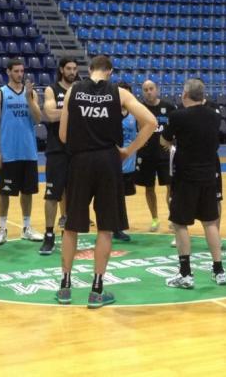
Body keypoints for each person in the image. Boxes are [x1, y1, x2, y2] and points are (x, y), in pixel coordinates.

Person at [55, 55, 156, 309]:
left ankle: (65, 286)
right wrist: (128, 150)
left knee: (71, 226)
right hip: (108, 161)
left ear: (89, 70)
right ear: (109, 72)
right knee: (105, 228)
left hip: (79, 161)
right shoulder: (119, 93)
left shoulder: (73, 91)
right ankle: (97, 290)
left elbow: (63, 135)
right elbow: (151, 123)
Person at [160, 79, 226, 289]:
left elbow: (164, 141)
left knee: (180, 224)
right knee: (210, 223)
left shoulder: (177, 116)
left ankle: (186, 274)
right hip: (209, 175)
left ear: (185, 95)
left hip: (185, 177)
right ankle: (219, 271)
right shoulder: (214, 116)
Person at [0, 58, 43, 245]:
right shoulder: (0, 94)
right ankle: (2, 228)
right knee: (4, 192)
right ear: (8, 72)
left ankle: (26, 227)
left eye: (22, 71)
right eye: (16, 71)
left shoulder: (31, 94)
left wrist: (29, 98)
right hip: (8, 151)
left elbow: (38, 119)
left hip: (28, 151)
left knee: (27, 192)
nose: (20, 74)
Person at [40, 57, 78, 255]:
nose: (72, 71)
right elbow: (50, 115)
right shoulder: (51, 89)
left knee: (72, 194)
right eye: (69, 68)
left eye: (74, 68)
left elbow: (58, 113)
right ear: (62, 70)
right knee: (52, 195)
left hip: (76, 150)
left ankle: (68, 233)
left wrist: (62, 111)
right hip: (56, 149)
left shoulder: (80, 88)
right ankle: (48, 235)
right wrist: (74, 110)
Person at [136, 80, 176, 231]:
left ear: (157, 89)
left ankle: (173, 218)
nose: (148, 92)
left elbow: (176, 128)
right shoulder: (139, 108)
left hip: (165, 155)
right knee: (149, 188)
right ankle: (154, 219)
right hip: (146, 154)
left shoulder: (169, 107)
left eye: (151, 88)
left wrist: (173, 143)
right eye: (145, 89)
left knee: (170, 188)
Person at [116, 81, 136, 242]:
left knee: (121, 197)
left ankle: (118, 227)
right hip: (112, 163)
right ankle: (113, 227)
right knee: (110, 197)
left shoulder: (134, 115)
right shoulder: (109, 112)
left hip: (128, 163)